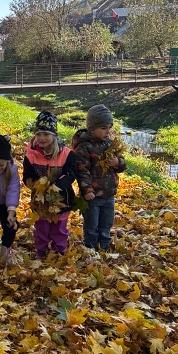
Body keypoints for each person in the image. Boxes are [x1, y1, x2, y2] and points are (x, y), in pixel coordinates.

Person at [23, 110, 77, 259]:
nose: (41, 138)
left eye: (46, 134)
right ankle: (41, 252)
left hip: (61, 199)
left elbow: (71, 174)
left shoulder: (66, 154)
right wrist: (38, 186)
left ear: (54, 135)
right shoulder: (30, 155)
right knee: (41, 228)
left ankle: (59, 252)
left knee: (59, 229)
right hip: (40, 201)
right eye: (39, 134)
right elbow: (27, 176)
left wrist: (56, 187)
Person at [72, 104, 126, 251]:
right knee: (91, 224)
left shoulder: (110, 144)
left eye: (109, 127)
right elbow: (82, 171)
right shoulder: (84, 147)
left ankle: (104, 246)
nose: (108, 131)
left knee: (107, 222)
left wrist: (118, 163)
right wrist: (87, 190)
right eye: (103, 128)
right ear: (92, 128)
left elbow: (122, 165)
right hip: (93, 195)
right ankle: (90, 247)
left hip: (109, 194)